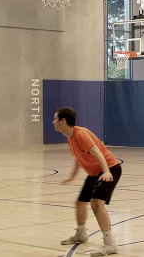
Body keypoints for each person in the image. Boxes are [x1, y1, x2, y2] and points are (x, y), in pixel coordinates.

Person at [54, 107, 123, 256]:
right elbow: (79, 158)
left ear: (63, 121)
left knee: (96, 204)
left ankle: (110, 244)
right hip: (94, 173)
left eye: (55, 119)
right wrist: (72, 177)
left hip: (110, 168)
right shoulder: (70, 139)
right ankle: (81, 234)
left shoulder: (81, 135)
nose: (53, 122)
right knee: (80, 203)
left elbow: (97, 152)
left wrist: (106, 172)